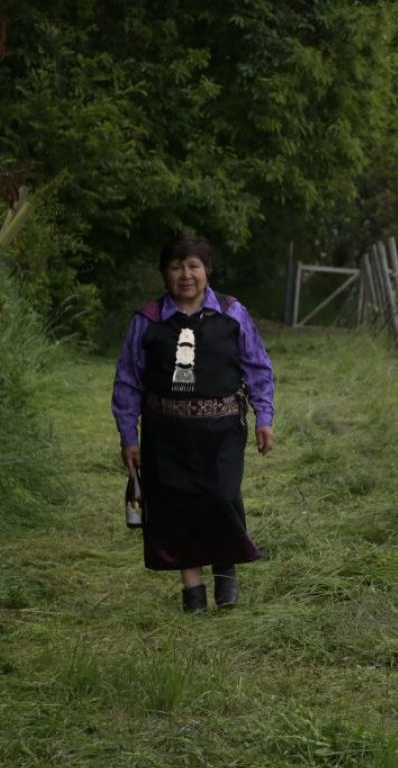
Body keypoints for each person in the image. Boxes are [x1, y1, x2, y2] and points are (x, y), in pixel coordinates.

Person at [112, 234, 275, 612]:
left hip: (222, 432)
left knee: (221, 498)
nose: (185, 275)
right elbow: (127, 380)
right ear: (164, 274)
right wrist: (128, 436)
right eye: (176, 267)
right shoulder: (147, 320)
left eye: (193, 266)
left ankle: (225, 568)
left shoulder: (232, 313)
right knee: (175, 508)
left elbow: (258, 367)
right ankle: (193, 593)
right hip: (165, 435)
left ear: (206, 271)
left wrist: (264, 416)